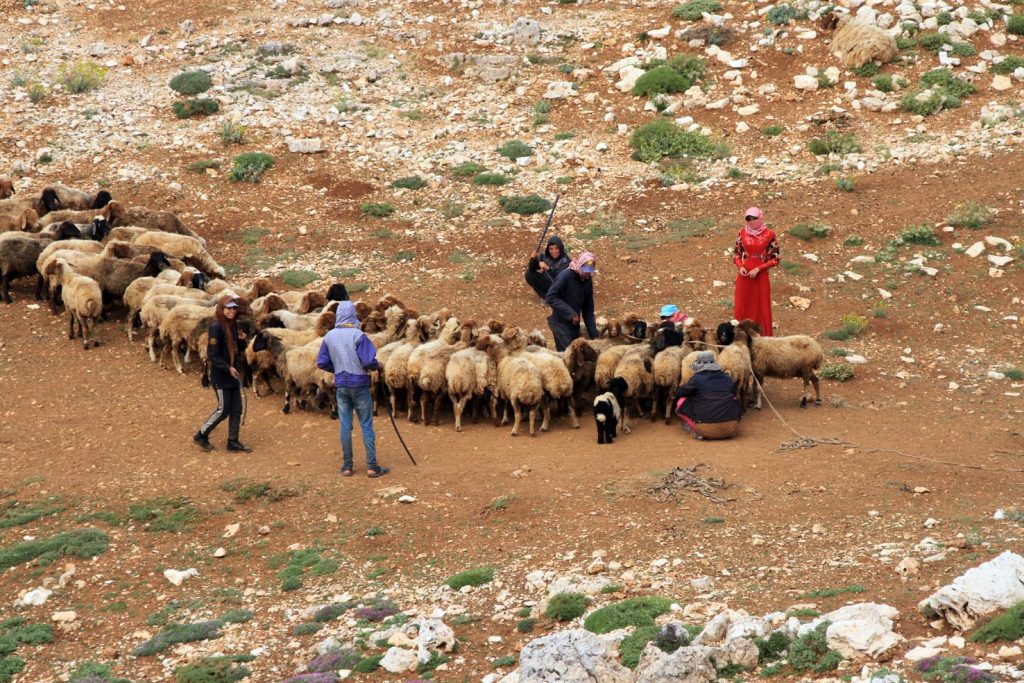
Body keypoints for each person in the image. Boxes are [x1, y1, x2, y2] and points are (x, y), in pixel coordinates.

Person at [316, 301, 390, 478]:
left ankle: (347, 466)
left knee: (345, 425)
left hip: (341, 385)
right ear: (353, 314)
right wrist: (376, 365)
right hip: (360, 385)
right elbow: (367, 361)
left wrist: (339, 369)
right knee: (366, 424)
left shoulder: (330, 336)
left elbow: (322, 362)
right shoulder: (359, 335)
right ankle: (372, 467)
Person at [193, 297, 252, 452]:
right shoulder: (216, 327)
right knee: (223, 409)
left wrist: (241, 341)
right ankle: (201, 434)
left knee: (236, 409)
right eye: (228, 308)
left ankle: (233, 441)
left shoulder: (232, 326)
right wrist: (227, 368)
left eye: (234, 309)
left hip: (233, 374)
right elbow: (213, 354)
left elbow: (236, 350)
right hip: (221, 376)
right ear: (221, 309)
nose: (231, 311)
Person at [733, 206, 780, 337]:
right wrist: (740, 266)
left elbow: (776, 258)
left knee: (761, 306)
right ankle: (741, 336)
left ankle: (763, 337)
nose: (751, 221)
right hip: (745, 275)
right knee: (742, 305)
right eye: (748, 219)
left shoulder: (770, 235)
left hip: (761, 275)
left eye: (754, 218)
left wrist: (759, 269)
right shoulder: (742, 233)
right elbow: (736, 254)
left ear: (760, 217)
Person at [674, 351, 741, 440]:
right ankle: (726, 429)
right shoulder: (727, 379)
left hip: (705, 429)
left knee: (681, 401)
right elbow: (733, 392)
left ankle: (695, 429)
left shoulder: (697, 379)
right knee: (733, 398)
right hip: (731, 428)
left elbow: (680, 392)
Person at [545, 250, 598, 352]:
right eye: (585, 268)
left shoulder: (587, 280)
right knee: (567, 354)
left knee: (576, 354)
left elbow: (588, 309)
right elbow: (551, 297)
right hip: (560, 322)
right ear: (580, 263)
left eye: (590, 269)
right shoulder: (566, 275)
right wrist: (570, 313)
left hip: (574, 324)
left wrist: (594, 334)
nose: (588, 272)